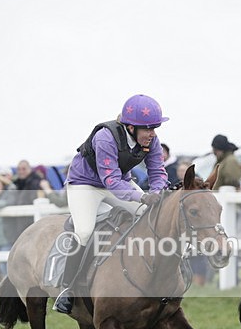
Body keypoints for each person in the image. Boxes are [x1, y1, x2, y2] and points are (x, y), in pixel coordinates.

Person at [54, 94, 170, 314]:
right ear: (131, 127)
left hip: (118, 182)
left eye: (154, 128)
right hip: (85, 185)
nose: (152, 134)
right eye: (148, 129)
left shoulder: (151, 141)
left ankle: (149, 277)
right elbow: (111, 181)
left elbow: (157, 172)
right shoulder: (105, 138)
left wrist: (156, 193)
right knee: (84, 232)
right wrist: (142, 197)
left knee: (150, 216)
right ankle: (66, 288)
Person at [10, 159, 44, 241]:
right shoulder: (17, 184)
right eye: (19, 169)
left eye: (24, 169)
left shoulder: (36, 183)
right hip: (20, 226)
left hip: (32, 225)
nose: (21, 171)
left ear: (30, 169)